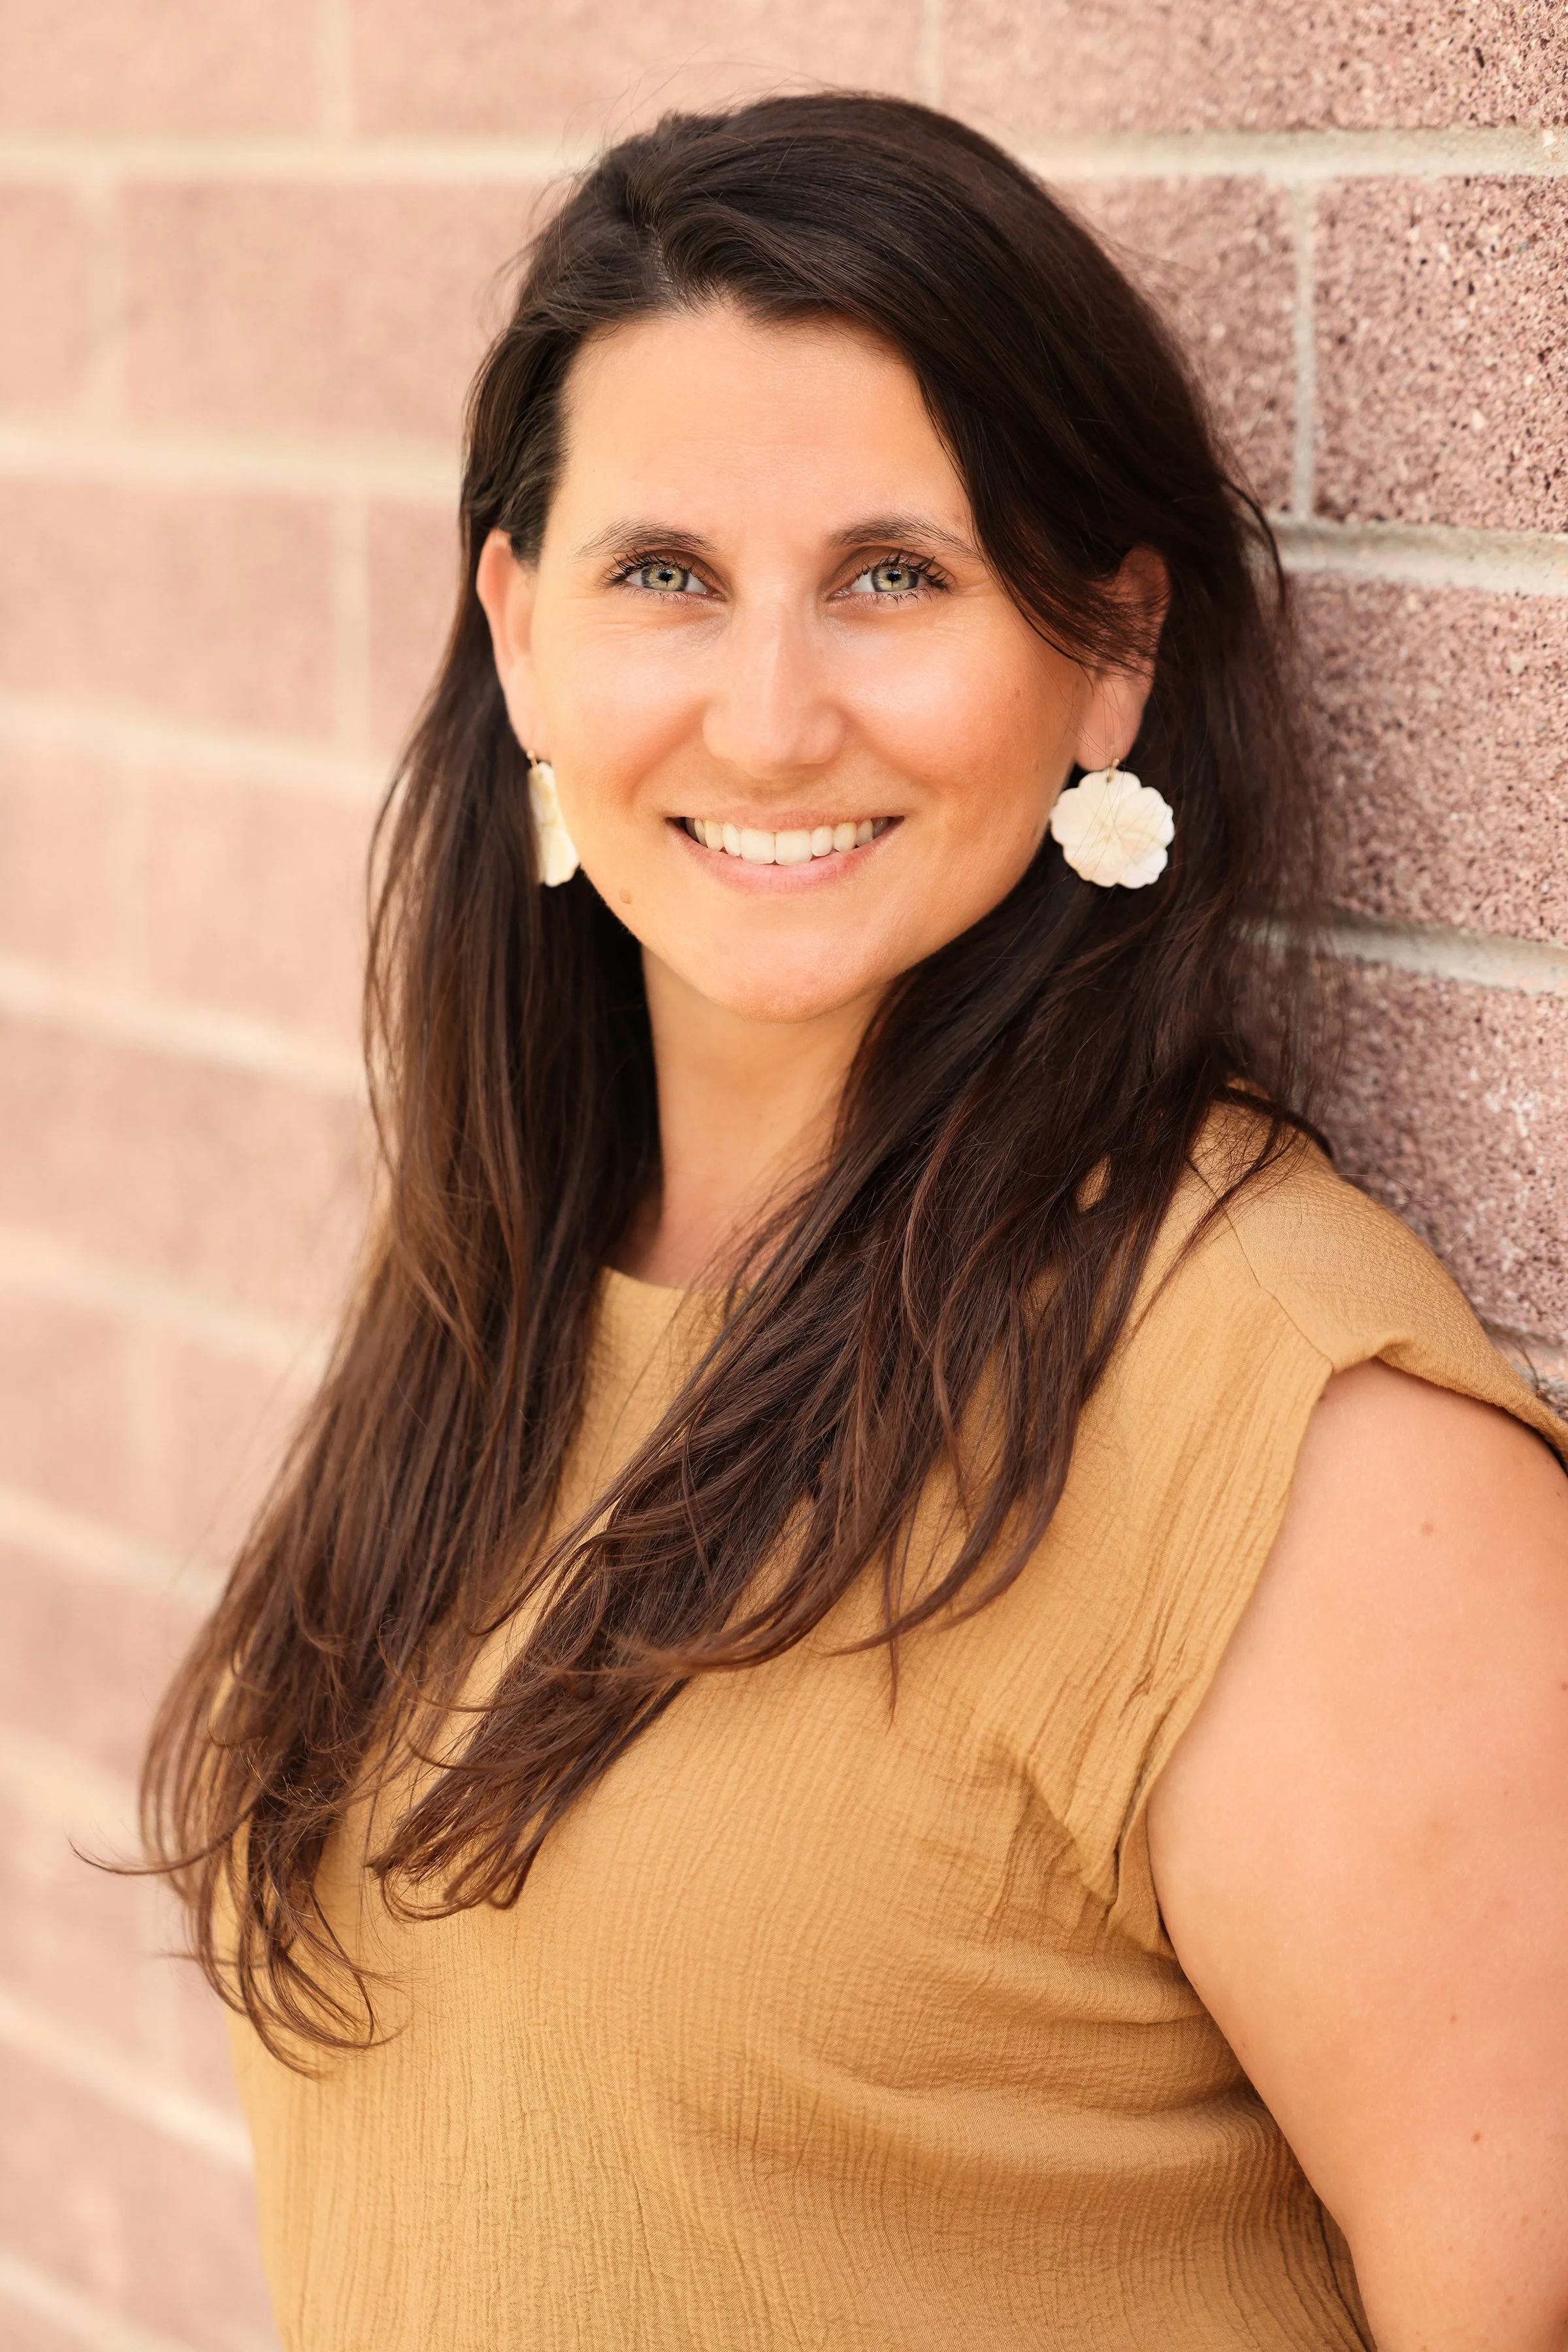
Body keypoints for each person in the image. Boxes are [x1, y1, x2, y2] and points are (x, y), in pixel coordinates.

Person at [142, 93, 1568, 2352]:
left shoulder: (1300, 1444)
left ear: (1104, 648)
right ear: (515, 631)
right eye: (665, 575)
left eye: (896, 576)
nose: (776, 713)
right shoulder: (505, 1286)